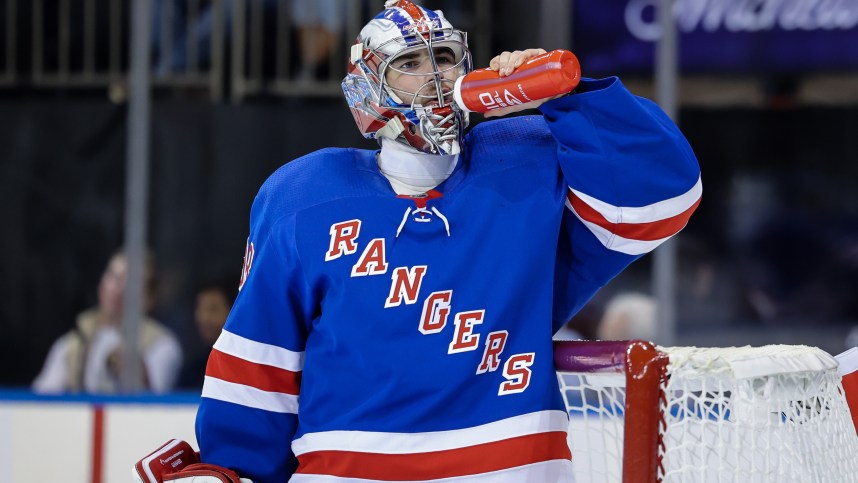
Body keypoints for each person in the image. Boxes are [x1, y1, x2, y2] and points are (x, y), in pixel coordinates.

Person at [134, 1, 701, 481]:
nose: (435, 76)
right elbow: (259, 365)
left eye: (446, 57)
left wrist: (571, 98)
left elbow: (663, 198)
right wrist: (237, 470)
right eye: (409, 64)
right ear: (365, 94)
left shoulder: (526, 165)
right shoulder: (303, 196)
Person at [33, 249, 182, 394]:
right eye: (114, 277)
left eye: (131, 283)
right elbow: (40, 401)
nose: (118, 289)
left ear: (149, 298)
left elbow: (160, 409)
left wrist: (142, 380)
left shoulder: (161, 345)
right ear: (101, 284)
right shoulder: (73, 343)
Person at [175, 277, 237, 390]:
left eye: (213, 309)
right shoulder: (193, 371)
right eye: (200, 308)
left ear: (232, 312)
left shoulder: (244, 365)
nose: (204, 318)